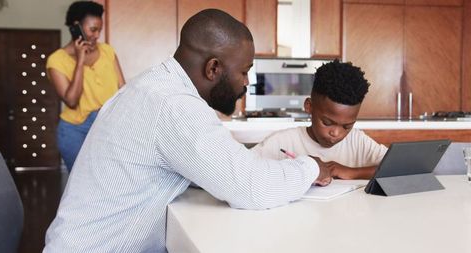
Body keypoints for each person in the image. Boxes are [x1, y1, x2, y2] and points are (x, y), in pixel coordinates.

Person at [43, 9, 331, 253]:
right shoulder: (174, 105)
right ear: (213, 68)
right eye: (244, 71)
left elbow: (221, 167)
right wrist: (312, 167)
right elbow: (251, 187)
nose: (246, 82)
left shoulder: (153, 85)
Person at [252, 60, 388, 180]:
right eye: (327, 123)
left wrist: (352, 173)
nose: (336, 133)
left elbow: (400, 168)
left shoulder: (357, 141)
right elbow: (243, 171)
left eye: (347, 126)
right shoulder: (281, 142)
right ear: (309, 106)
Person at [46, 1, 125, 172]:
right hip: (75, 131)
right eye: (93, 29)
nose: (97, 35)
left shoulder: (107, 52)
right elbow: (72, 101)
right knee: (82, 184)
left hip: (107, 124)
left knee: (110, 177)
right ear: (77, 27)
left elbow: (122, 90)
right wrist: (80, 60)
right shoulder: (56, 60)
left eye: (99, 30)